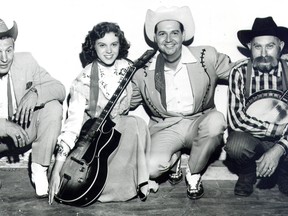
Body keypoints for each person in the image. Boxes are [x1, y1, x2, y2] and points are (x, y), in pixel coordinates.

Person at [131, 6, 234, 200]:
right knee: (151, 169)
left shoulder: (206, 56)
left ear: (183, 34)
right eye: (162, 34)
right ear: (155, 38)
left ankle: (193, 173)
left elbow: (237, 72)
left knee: (216, 121)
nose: (168, 39)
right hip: (166, 126)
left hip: (199, 120)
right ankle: (174, 157)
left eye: (174, 33)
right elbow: (128, 100)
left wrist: (275, 62)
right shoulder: (142, 70)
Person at [48, 22, 151, 205]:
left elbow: (141, 94)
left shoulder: (128, 67)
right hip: (92, 139)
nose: (109, 51)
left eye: (114, 44)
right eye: (102, 45)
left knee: (137, 123)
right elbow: (72, 125)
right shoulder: (83, 80)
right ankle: (98, 185)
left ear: (120, 46)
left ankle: (128, 183)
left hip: (117, 130)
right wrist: (57, 169)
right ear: (93, 47)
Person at [0, 19, 65, 197]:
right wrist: (2, 125)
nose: (4, 59)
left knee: (53, 106)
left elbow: (59, 88)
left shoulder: (26, 62)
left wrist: (36, 92)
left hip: (22, 132)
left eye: (8, 50)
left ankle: (39, 167)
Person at [225, 16, 288, 197]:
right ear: (249, 47)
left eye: (270, 46)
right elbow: (236, 120)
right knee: (235, 146)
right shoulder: (239, 72)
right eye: (257, 46)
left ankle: (284, 171)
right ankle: (247, 173)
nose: (263, 53)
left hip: (285, 139)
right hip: (253, 138)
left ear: (280, 46)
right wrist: (274, 129)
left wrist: (279, 148)